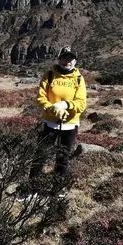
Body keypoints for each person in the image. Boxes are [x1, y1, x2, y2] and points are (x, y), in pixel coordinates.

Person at [31, 46, 87, 179]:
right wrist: (52, 108)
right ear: (59, 58)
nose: (67, 61)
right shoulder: (49, 75)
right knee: (41, 155)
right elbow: (40, 98)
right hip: (50, 123)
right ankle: (31, 187)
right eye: (64, 57)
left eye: (70, 58)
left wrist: (66, 105)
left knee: (63, 157)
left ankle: (57, 187)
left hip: (70, 124)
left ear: (75, 60)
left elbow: (81, 103)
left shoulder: (79, 78)